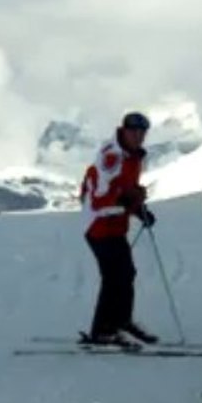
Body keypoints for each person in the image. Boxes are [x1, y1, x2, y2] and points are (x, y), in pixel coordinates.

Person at [79, 111, 158, 346]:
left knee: (126, 274)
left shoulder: (132, 156)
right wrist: (130, 201)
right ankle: (104, 331)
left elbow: (126, 190)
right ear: (124, 130)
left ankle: (121, 323)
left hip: (115, 226)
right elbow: (100, 197)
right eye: (134, 131)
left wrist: (138, 209)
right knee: (114, 277)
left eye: (143, 132)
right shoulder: (111, 156)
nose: (139, 136)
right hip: (99, 226)